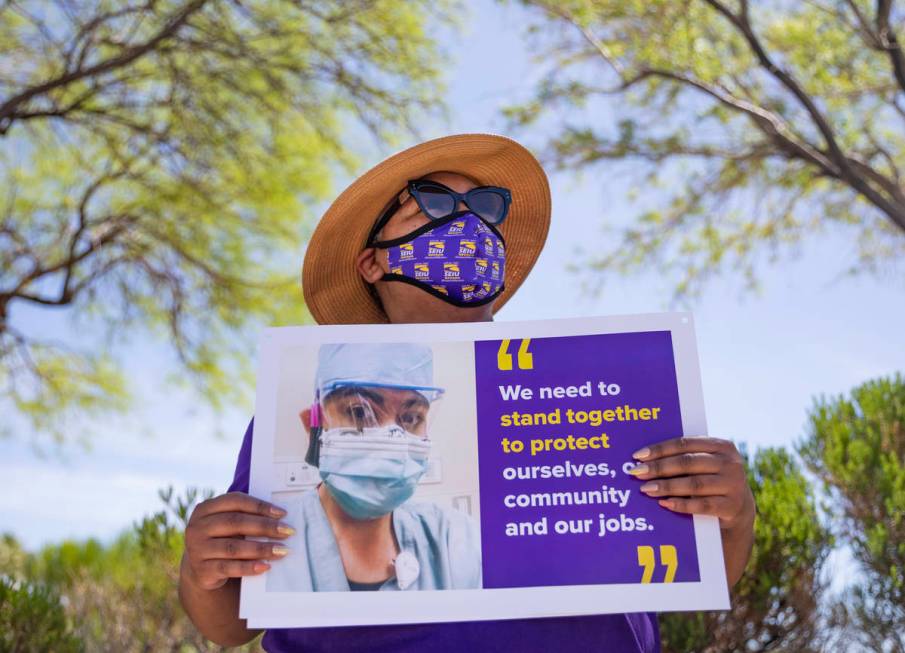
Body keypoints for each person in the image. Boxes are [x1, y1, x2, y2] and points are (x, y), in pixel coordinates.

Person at [179, 133, 756, 652]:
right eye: (432, 202)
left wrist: (730, 515)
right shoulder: (296, 395)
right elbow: (230, 621)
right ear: (373, 262)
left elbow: (693, 576)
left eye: (483, 210)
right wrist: (203, 560)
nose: (467, 225)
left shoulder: (591, 387)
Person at [266, 342, 482, 592]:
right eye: (359, 412)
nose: (391, 440)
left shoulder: (454, 538)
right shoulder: (268, 536)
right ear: (313, 425)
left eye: (411, 418)